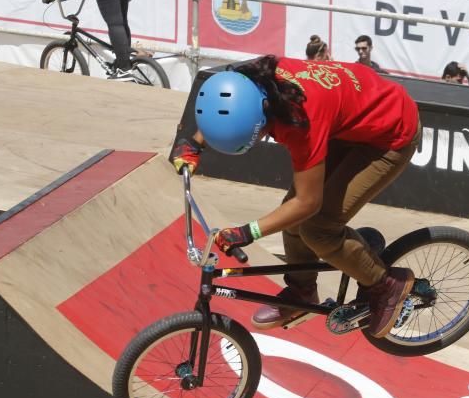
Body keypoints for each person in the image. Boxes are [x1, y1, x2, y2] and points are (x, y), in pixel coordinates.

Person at [171, 56, 420, 339]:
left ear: (265, 116)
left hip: (389, 134)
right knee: (291, 220)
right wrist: (193, 142)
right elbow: (224, 104)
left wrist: (248, 232)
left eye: (260, 134)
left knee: (317, 228)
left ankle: (387, 284)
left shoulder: (300, 121)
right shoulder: (251, 81)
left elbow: (307, 202)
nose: (264, 138)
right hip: (348, 119)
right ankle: (303, 292)